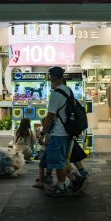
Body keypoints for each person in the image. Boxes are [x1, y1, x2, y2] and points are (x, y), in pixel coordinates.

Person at [41, 67, 72, 196]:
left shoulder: (56, 93)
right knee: (62, 160)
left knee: (59, 163)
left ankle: (61, 187)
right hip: (68, 131)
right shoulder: (68, 90)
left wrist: (44, 132)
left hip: (58, 132)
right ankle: (74, 179)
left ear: (51, 77)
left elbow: (50, 116)